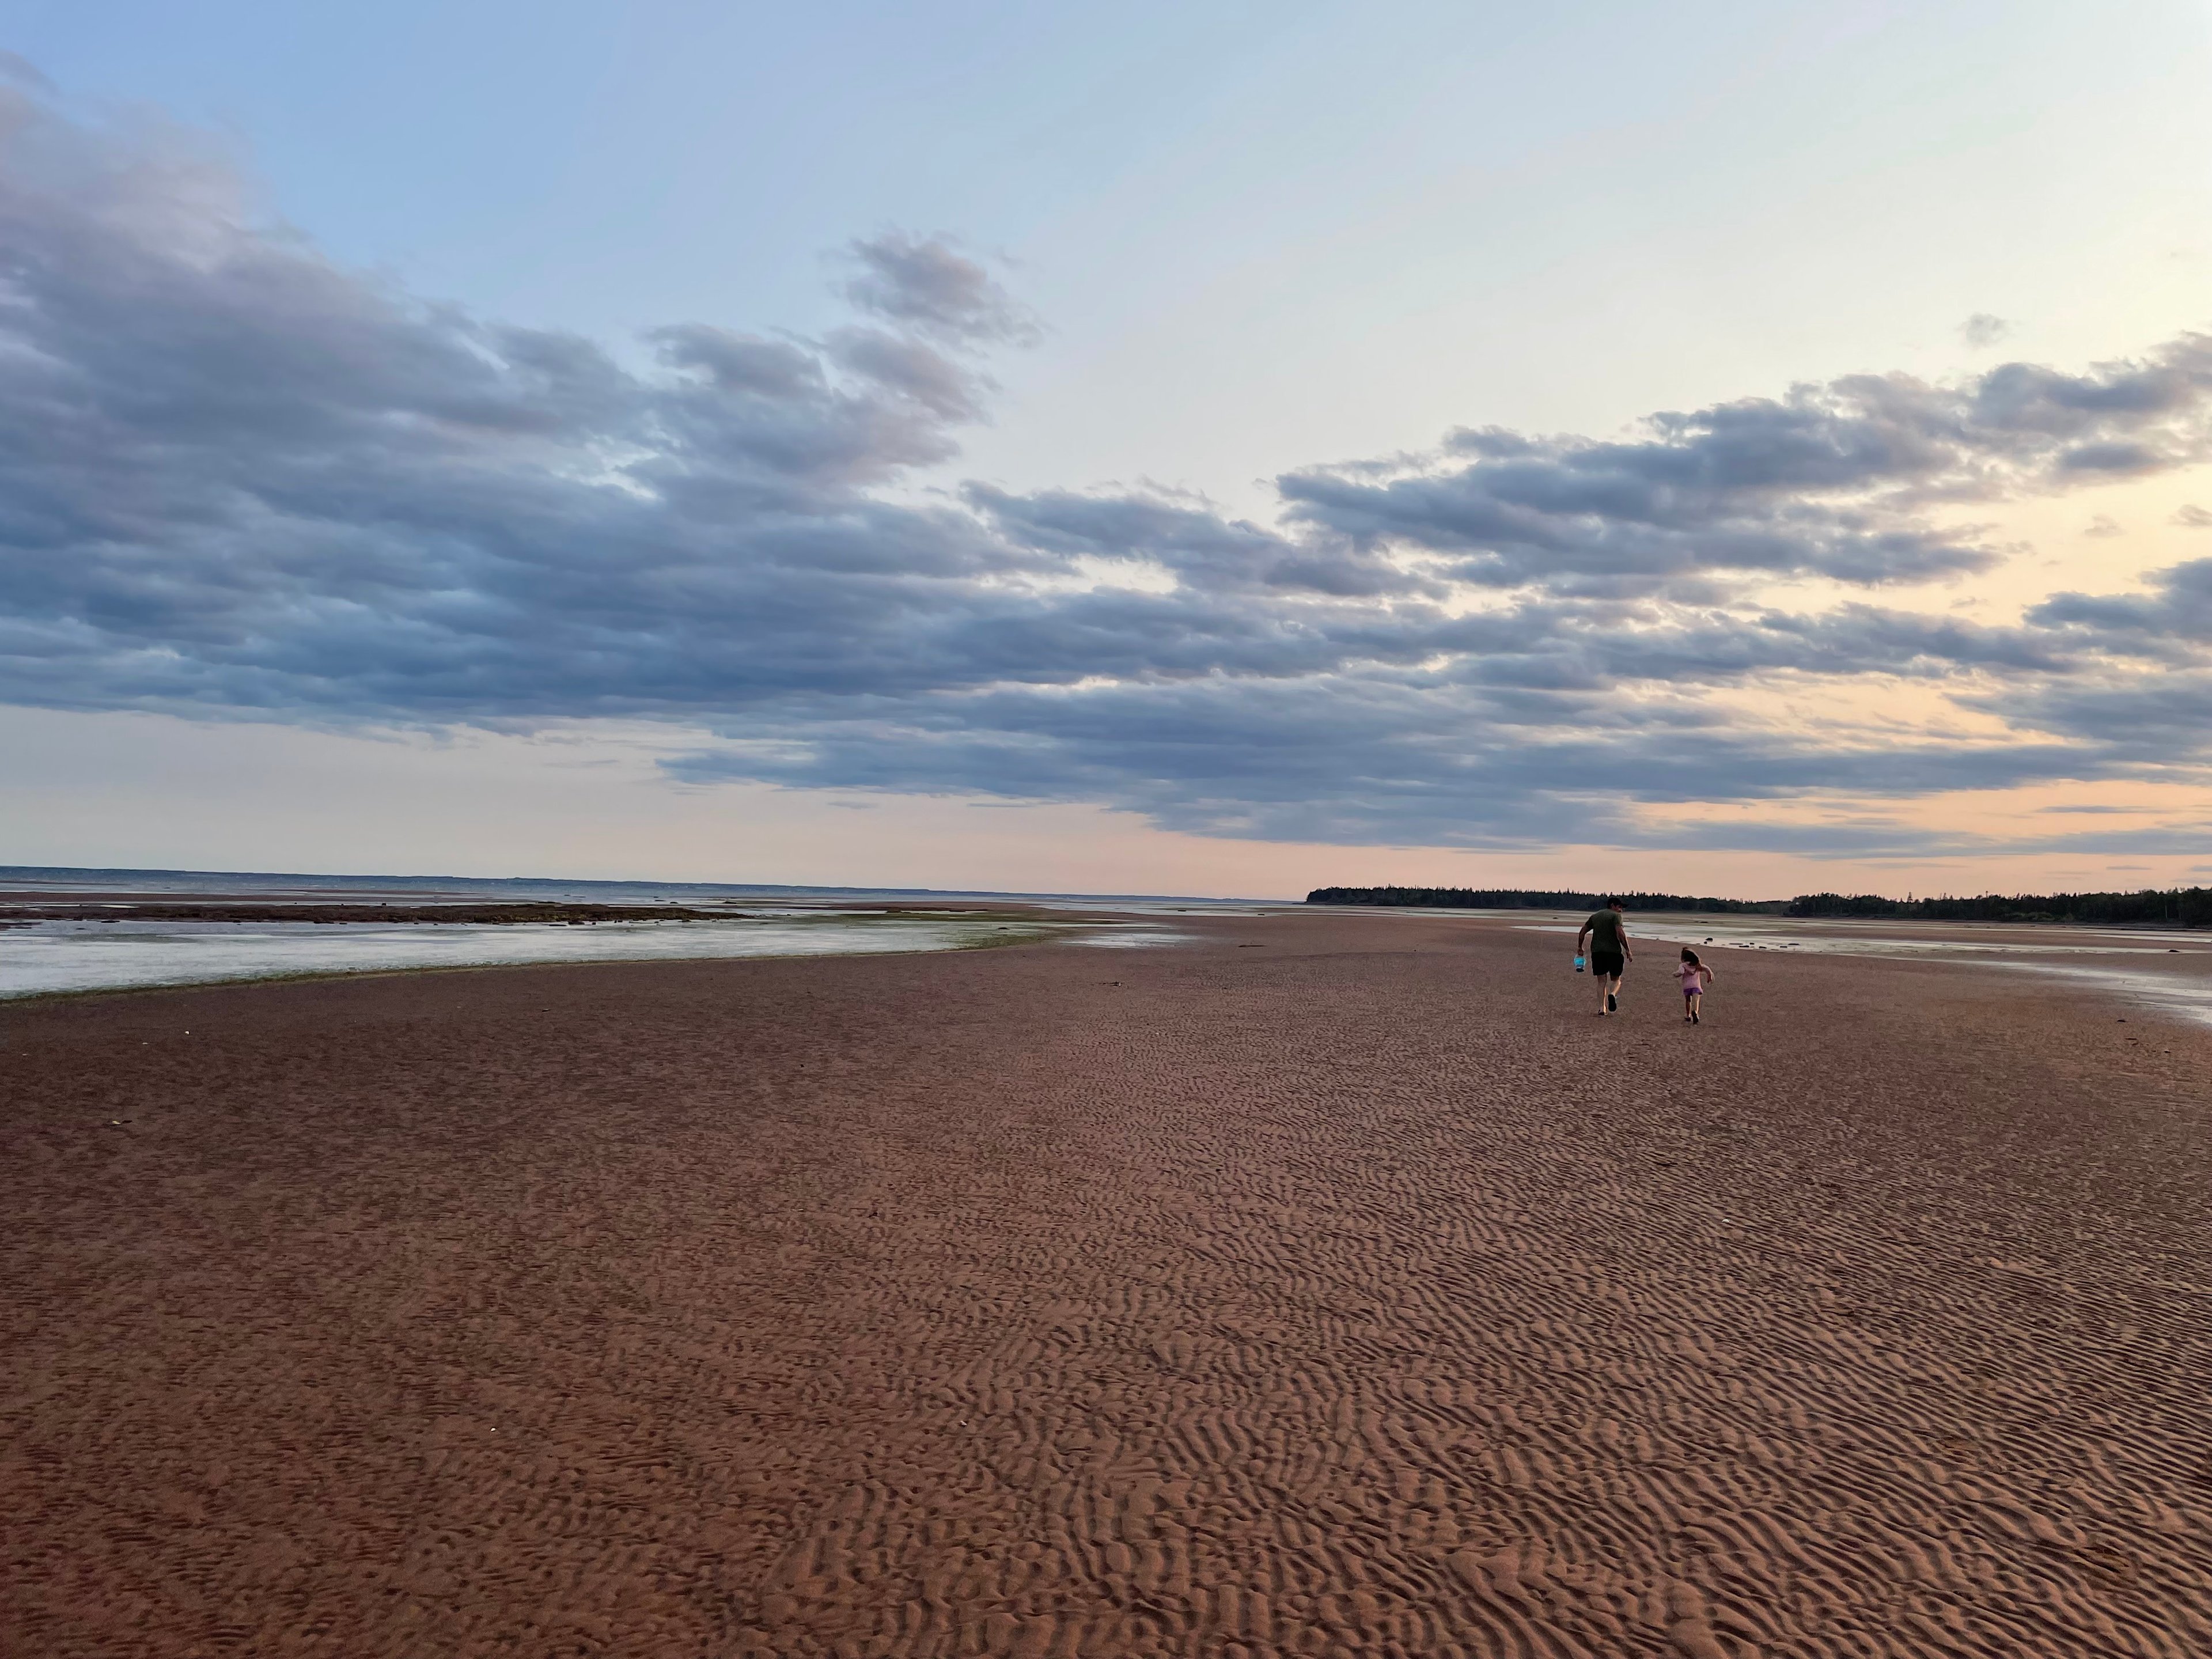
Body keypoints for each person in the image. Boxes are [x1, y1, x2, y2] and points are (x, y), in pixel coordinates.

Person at [1575, 897, 1633, 1015]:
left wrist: (1580, 947)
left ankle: (1602, 1008)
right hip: (1614, 953)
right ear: (1612, 906)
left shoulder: (1595, 916)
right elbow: (1620, 933)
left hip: (1598, 952)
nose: (1621, 910)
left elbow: (1582, 932)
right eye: (1619, 907)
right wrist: (1627, 949)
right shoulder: (1615, 916)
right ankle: (1612, 994)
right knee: (1616, 980)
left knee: (1601, 982)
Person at [1677, 948, 1714, 1024]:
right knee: (1696, 1000)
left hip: (1687, 986)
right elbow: (1706, 968)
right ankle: (1695, 1012)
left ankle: (1688, 1015)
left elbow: (1681, 972)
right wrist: (1709, 976)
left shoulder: (1683, 965)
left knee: (1688, 1001)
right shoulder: (1697, 966)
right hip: (1696, 986)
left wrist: (1676, 974)